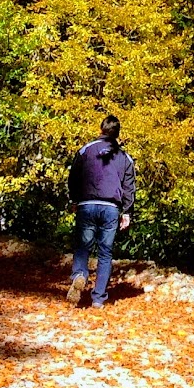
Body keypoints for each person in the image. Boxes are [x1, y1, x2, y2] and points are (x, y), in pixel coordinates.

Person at [65, 113, 136, 308]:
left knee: (83, 246)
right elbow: (129, 186)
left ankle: (80, 275)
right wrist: (128, 212)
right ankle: (98, 298)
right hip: (111, 208)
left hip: (87, 204)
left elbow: (74, 176)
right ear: (118, 134)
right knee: (105, 252)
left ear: (101, 130)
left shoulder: (86, 150)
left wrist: (74, 199)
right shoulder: (125, 157)